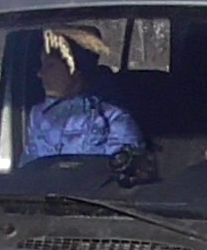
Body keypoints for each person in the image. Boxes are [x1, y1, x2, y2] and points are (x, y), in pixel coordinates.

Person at [21, 28, 144, 164]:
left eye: (50, 66)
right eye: (42, 65)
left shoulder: (113, 119)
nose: (41, 73)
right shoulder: (38, 116)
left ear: (75, 70)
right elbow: (25, 173)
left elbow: (121, 175)